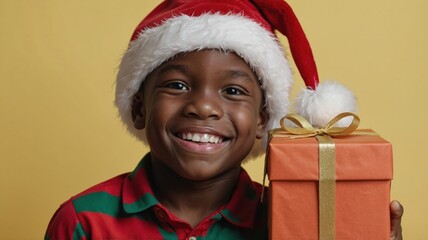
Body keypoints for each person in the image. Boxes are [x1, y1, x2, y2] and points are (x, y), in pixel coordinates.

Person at [45, 0, 403, 239]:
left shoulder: (288, 221)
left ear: (264, 119)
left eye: (233, 91)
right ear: (139, 107)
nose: (203, 107)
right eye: (177, 84)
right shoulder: (82, 223)